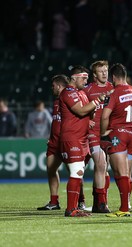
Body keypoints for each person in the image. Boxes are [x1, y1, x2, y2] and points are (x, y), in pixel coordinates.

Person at [101, 63, 132, 217]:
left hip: (118, 135)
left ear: (114, 77)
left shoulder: (114, 93)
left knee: (119, 172)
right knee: (127, 174)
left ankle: (124, 209)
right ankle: (126, 203)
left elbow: (104, 116)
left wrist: (103, 132)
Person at [59, 65, 104, 217]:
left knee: (79, 172)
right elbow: (80, 111)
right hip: (72, 137)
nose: (86, 80)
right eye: (83, 78)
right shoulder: (68, 92)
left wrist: (92, 110)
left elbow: (89, 115)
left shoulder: (82, 94)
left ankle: (77, 206)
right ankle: (71, 209)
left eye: (86, 78)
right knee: (76, 171)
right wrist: (97, 101)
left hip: (82, 137)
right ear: (74, 78)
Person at [82, 60, 114, 213]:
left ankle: (99, 202)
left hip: (108, 134)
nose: (104, 73)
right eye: (101, 71)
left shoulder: (113, 88)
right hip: (93, 134)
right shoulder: (87, 90)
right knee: (100, 165)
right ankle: (100, 203)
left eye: (106, 70)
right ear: (94, 75)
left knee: (105, 168)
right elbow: (82, 110)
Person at [37, 75, 68, 211]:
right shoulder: (56, 101)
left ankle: (81, 201)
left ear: (60, 86)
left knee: (74, 171)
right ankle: (54, 201)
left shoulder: (71, 99)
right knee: (51, 169)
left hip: (67, 140)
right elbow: (56, 121)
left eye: (53, 86)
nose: (52, 88)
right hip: (54, 141)